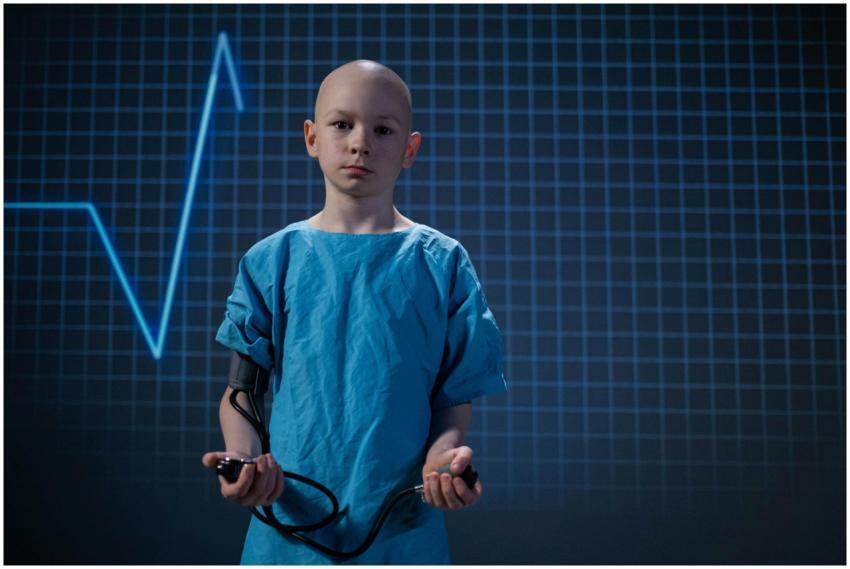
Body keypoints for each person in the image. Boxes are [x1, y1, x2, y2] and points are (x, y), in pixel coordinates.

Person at [201, 59, 507, 564]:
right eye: (342, 124)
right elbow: (242, 393)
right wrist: (247, 463)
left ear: (410, 149)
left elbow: (454, 398)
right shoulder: (271, 261)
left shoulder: (443, 264)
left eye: (383, 129)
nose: (361, 142)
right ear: (311, 137)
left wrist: (443, 460)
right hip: (287, 527)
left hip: (402, 529)